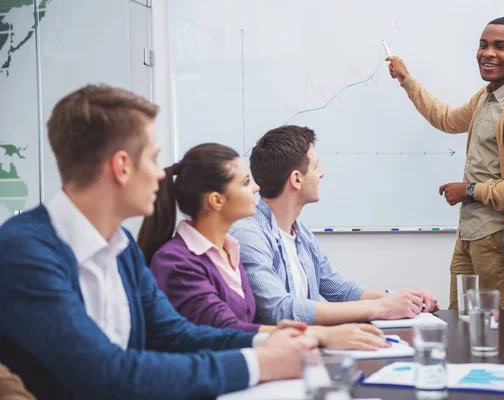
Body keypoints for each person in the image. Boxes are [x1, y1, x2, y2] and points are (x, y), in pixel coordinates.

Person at [0, 85, 318, 400]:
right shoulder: (25, 251)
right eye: (153, 159)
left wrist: (272, 341)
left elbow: (177, 335)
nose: (161, 174)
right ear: (122, 167)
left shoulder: (119, 244)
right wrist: (258, 363)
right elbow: (107, 373)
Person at [138, 143, 391, 351]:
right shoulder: (177, 262)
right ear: (216, 201)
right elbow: (226, 328)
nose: (256, 188)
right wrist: (320, 335)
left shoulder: (230, 250)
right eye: (246, 182)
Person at [385, 16, 504, 310]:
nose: (488, 53)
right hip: (471, 233)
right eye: (483, 45)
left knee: (501, 334)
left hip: (498, 238)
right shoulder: (488, 96)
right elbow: (447, 119)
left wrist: (470, 191)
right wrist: (407, 80)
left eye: (501, 46)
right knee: (460, 326)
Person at [230, 125, 439, 326]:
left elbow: (342, 290)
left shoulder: (302, 235)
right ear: (296, 179)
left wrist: (404, 300)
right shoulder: (249, 234)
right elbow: (280, 310)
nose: (321, 173)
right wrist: (381, 307)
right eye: (315, 166)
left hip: (307, 349)